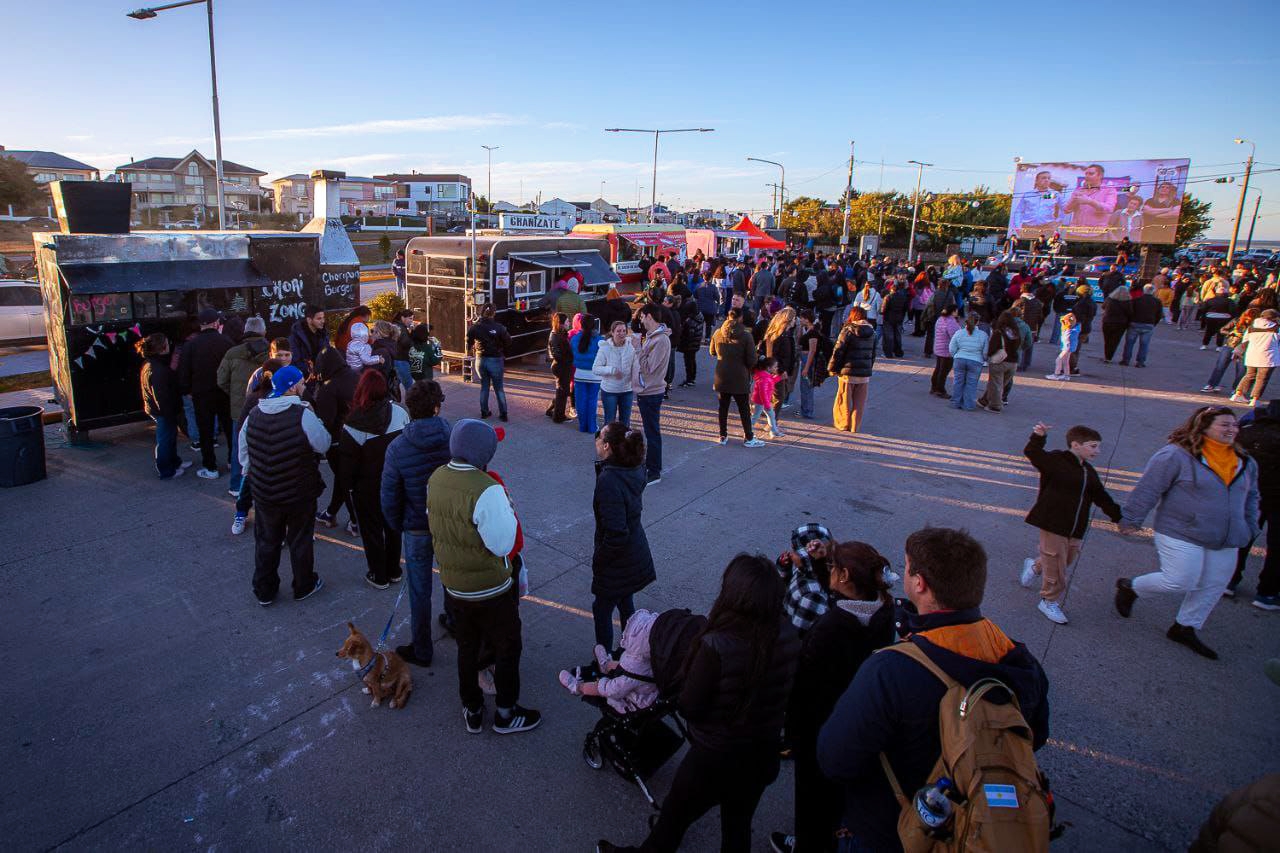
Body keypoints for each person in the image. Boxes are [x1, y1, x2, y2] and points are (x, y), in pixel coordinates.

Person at [818, 526, 1050, 853]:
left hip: (895, 832)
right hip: (974, 823)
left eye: (908, 567)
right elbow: (1034, 737)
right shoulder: (1020, 662)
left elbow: (834, 759)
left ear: (920, 583)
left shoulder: (891, 671)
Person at [597, 554, 801, 853]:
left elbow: (689, 705)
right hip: (761, 754)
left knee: (671, 823)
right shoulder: (787, 633)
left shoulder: (715, 645)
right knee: (737, 826)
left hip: (714, 759)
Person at [773, 541, 896, 853]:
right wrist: (819, 565)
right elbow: (839, 601)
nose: (827, 571)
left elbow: (802, 685)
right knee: (840, 795)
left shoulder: (831, 628)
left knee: (813, 798)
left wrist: (791, 730)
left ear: (844, 576)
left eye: (832, 569)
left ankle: (808, 845)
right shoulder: (883, 610)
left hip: (819, 726)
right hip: (857, 721)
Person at [1116, 406, 1261, 659]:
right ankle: (1131, 587)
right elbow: (1149, 487)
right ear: (1204, 426)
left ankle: (1185, 627)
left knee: (1213, 585)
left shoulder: (1245, 461)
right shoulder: (1176, 455)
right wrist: (1132, 518)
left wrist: (1250, 528)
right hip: (1181, 531)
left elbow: (1251, 497)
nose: (1231, 430)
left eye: (1234, 425)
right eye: (1224, 424)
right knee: (1180, 579)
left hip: (1228, 537)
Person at [426, 418, 540, 734]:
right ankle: (505, 712)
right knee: (507, 648)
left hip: (455, 586)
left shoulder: (436, 477)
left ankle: (472, 708)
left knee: (467, 647)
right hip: (491, 590)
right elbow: (503, 543)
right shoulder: (486, 489)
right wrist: (510, 510)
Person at [237, 365, 331, 605]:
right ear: (291, 387)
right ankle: (303, 585)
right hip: (298, 491)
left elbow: (243, 451)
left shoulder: (254, 414)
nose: (304, 387)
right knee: (300, 539)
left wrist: (254, 472)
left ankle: (264, 590)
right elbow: (323, 444)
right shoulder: (302, 413)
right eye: (301, 383)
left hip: (265, 491)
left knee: (267, 540)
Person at [1020, 423, 1123, 624]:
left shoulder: (1089, 472)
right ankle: (1048, 600)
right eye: (1093, 446)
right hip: (1052, 522)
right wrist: (1038, 436)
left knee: (1065, 559)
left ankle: (1034, 566)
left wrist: (1118, 517)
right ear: (1076, 445)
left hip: (1076, 527)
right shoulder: (1056, 460)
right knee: (1057, 564)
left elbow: (1101, 496)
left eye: (1097, 446)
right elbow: (1032, 452)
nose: (1098, 451)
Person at [380, 379, 452, 667]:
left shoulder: (397, 447)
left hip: (416, 527)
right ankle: (455, 621)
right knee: (451, 578)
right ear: (436, 407)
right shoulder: (453, 436)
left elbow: (389, 495)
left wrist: (400, 524)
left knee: (419, 591)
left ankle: (422, 649)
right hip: (448, 524)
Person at [337, 369, 411, 590]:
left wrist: (347, 488)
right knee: (393, 527)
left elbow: (347, 465)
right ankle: (394, 570)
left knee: (371, 531)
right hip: (395, 482)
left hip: (366, 487)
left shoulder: (352, 424)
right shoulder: (399, 413)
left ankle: (379, 575)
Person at [590, 422, 656, 650]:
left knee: (602, 608)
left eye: (600, 439)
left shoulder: (610, 480)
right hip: (635, 550)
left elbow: (616, 533)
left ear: (607, 446)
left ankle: (604, 658)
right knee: (625, 600)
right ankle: (631, 650)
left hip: (618, 559)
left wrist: (599, 558)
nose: (597, 441)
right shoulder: (635, 466)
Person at [1233, 400, 1280, 609]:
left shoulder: (1250, 424)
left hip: (1251, 489)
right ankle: (1267, 593)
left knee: (1245, 535)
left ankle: (1229, 580)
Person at [178, 307, 234, 479]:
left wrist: (186, 390)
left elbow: (184, 371)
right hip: (225, 392)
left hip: (201, 393)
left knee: (206, 430)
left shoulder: (190, 345)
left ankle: (210, 467)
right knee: (230, 427)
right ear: (216, 323)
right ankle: (233, 462)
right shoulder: (227, 342)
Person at [218, 316, 269, 498]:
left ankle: (236, 485)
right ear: (263, 331)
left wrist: (235, 394)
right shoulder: (271, 352)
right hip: (265, 407)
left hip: (239, 409)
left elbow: (221, 380)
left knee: (239, 447)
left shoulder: (232, 353)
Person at [312, 347, 360, 536]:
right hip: (359, 435)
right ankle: (330, 513)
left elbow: (326, 421)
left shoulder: (329, 387)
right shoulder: (355, 376)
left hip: (338, 441)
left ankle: (356, 521)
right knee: (343, 477)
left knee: (345, 479)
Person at [137, 333, 190, 480]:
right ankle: (166, 470)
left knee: (169, 437)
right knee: (165, 439)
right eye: (167, 343)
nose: (170, 345)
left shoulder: (153, 363)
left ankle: (174, 462)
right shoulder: (158, 369)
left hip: (161, 409)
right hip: (163, 410)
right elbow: (162, 396)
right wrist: (170, 414)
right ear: (162, 347)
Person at [710, 308, 763, 447]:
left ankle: (723, 435)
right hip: (739, 376)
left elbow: (712, 351)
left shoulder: (718, 332)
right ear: (740, 318)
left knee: (723, 407)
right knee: (744, 408)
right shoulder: (746, 336)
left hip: (722, 374)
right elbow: (752, 359)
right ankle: (749, 437)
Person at [634, 304, 671, 484]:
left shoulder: (661, 340)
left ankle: (654, 471)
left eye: (641, 317)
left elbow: (649, 367)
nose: (640, 320)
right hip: (647, 390)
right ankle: (651, 466)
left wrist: (638, 349)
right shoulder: (654, 337)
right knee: (650, 431)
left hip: (651, 391)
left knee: (652, 433)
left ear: (649, 316)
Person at [828, 306, 876, 432]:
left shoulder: (848, 330)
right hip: (864, 374)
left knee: (844, 400)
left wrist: (832, 367)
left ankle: (843, 423)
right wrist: (868, 367)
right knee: (859, 402)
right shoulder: (872, 332)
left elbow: (838, 351)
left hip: (847, 372)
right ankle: (855, 426)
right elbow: (873, 354)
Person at [465, 305, 511, 421]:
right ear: (494, 313)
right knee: (499, 388)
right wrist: (501, 349)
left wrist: (471, 349)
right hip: (495, 359)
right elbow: (508, 341)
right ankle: (503, 413)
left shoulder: (476, 327)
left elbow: (468, 341)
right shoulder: (499, 327)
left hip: (480, 359)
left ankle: (484, 412)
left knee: (484, 386)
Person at [1231, 309, 1279, 406]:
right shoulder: (1276, 328)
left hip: (1251, 355)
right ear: (1273, 318)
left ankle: (1238, 394)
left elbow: (1245, 341)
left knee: (1249, 375)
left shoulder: (1251, 327)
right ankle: (1255, 399)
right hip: (1268, 357)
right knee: (1262, 378)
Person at [593, 320, 636, 428]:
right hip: (609, 391)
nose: (621, 333)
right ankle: (609, 444)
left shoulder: (631, 346)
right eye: (618, 331)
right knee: (609, 422)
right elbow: (596, 369)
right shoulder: (605, 347)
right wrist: (612, 370)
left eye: (624, 331)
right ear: (612, 332)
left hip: (627, 390)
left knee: (625, 423)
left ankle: (624, 444)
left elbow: (636, 366)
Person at [977, 310, 1020, 414]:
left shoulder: (998, 332)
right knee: (999, 384)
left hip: (1000, 361)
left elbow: (992, 348)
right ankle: (985, 400)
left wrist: (988, 355)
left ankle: (995, 406)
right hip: (1013, 362)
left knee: (996, 384)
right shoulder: (1016, 332)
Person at [948, 312, 989, 410]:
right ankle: (968, 405)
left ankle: (955, 402)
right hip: (975, 361)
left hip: (960, 359)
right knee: (971, 384)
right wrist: (983, 359)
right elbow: (985, 352)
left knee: (958, 382)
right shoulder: (983, 335)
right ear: (977, 322)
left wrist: (956, 356)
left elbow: (952, 348)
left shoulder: (959, 332)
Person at [571, 313, 603, 434]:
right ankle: (592, 427)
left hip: (579, 374)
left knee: (580, 401)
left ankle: (582, 426)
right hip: (595, 375)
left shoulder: (574, 338)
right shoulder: (600, 340)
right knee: (592, 401)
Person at [1062, 163, 1117, 230]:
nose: (1087, 176)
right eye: (1086, 174)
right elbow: (1066, 210)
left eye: (1091, 174)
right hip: (1075, 232)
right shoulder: (1079, 190)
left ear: (1100, 176)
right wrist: (1075, 200)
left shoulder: (1109, 190)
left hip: (1096, 234)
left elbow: (1109, 209)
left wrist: (1090, 202)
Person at [1120, 284, 1164, 367]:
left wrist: (1129, 322)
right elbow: (1159, 315)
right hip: (1148, 324)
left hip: (1135, 323)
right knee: (1144, 344)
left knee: (1129, 343)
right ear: (1153, 291)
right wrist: (1154, 323)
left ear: (1144, 290)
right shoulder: (1157, 302)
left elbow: (1130, 312)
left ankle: (1126, 360)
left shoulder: (1136, 300)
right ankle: (1140, 362)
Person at [545, 312, 575, 424]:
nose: (569, 323)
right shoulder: (556, 336)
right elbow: (557, 354)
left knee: (562, 391)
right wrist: (567, 360)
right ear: (561, 324)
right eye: (567, 321)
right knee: (563, 391)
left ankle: (552, 410)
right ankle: (558, 416)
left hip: (561, 366)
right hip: (561, 366)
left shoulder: (558, 334)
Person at [287, 305, 328, 383]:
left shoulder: (323, 335)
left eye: (323, 318)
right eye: (319, 318)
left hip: (321, 377)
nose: (323, 321)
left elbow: (327, 354)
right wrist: (313, 370)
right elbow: (295, 361)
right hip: (303, 380)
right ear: (309, 320)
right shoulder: (295, 338)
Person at [929, 304, 961, 398]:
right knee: (944, 371)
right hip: (947, 349)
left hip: (939, 347)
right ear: (954, 311)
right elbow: (955, 336)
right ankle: (940, 390)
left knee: (938, 369)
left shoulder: (940, 319)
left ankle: (934, 387)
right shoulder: (951, 322)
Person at [676, 292, 705, 388]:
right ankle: (692, 378)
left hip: (689, 344)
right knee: (692, 360)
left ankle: (690, 379)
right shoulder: (699, 317)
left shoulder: (690, 321)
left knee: (688, 362)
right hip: (695, 343)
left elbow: (688, 334)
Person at [751, 356, 784, 440]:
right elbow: (763, 393)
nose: (777, 368)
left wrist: (779, 377)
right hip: (761, 402)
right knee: (755, 417)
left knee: (771, 415)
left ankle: (774, 431)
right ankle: (748, 431)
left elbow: (771, 382)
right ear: (769, 368)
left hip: (762, 401)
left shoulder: (765, 375)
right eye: (775, 367)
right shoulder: (764, 377)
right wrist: (767, 405)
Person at [796, 310, 820, 419]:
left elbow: (812, 350)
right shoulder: (805, 329)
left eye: (802, 318)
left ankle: (807, 411)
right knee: (803, 386)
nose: (800, 320)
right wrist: (801, 328)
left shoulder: (813, 332)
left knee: (807, 386)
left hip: (808, 359)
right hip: (804, 357)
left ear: (807, 319)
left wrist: (806, 367)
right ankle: (804, 409)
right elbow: (799, 340)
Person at [1100, 285, 1132, 363]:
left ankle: (1106, 355)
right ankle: (1109, 357)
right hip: (1121, 323)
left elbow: (1103, 306)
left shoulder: (1110, 299)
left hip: (1108, 321)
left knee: (1107, 340)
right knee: (1115, 341)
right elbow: (1130, 313)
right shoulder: (1127, 302)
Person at [1046, 312, 1080, 381]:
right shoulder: (1074, 328)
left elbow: (1067, 340)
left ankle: (1056, 374)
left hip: (1066, 348)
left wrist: (1065, 348)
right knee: (1065, 361)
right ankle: (1066, 375)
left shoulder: (1068, 330)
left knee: (1058, 360)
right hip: (1069, 348)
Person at [881, 280, 910, 358]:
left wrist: (882, 313)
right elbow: (906, 308)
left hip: (888, 318)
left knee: (889, 336)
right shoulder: (903, 297)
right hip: (899, 318)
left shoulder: (888, 297)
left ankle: (888, 353)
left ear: (891, 289)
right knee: (898, 335)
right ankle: (898, 352)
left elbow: (883, 309)